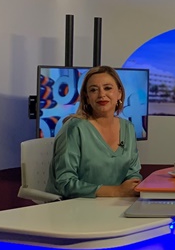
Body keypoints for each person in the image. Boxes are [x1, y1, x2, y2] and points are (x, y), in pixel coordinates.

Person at [48, 65, 142, 198]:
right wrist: (116, 191)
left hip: (116, 203)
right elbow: (65, 183)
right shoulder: (74, 128)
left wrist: (130, 187)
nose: (101, 95)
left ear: (119, 93)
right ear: (87, 97)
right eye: (93, 90)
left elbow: (133, 173)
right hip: (74, 205)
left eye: (107, 88)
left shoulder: (128, 128)